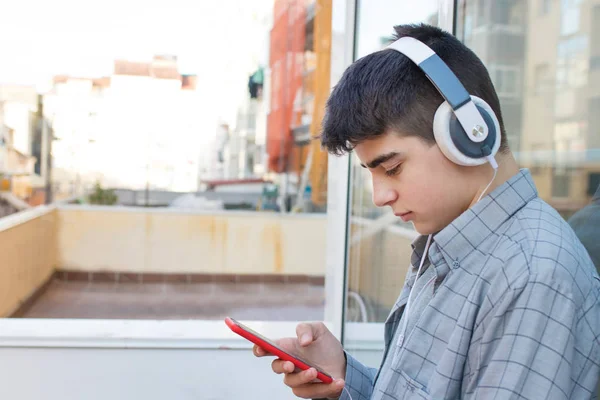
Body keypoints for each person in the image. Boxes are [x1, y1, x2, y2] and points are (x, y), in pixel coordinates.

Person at [253, 24, 600, 399]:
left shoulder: (531, 276)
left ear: (468, 134)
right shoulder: (449, 244)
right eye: (372, 173)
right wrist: (342, 376)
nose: (380, 196)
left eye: (393, 168)